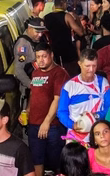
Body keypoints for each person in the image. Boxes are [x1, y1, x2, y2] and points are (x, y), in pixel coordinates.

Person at [26, 42, 69, 176]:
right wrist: (27, 110)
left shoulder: (59, 73)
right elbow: (33, 93)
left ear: (51, 55)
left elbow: (58, 99)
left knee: (56, 163)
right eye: (38, 57)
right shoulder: (35, 73)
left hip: (53, 126)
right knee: (36, 160)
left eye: (44, 56)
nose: (41, 60)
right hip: (34, 125)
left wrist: (46, 122)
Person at [57, 48, 110, 143]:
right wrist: (72, 125)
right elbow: (61, 112)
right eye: (87, 66)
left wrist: (96, 115)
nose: (91, 70)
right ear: (79, 64)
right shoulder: (70, 86)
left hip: (97, 137)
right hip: (75, 137)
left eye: (94, 66)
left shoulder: (103, 82)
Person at [13, 17, 45, 89]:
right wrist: (31, 85)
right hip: (32, 84)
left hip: (41, 81)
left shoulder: (37, 39)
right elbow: (18, 69)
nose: (40, 35)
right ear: (29, 28)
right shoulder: (23, 45)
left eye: (42, 32)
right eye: (37, 32)